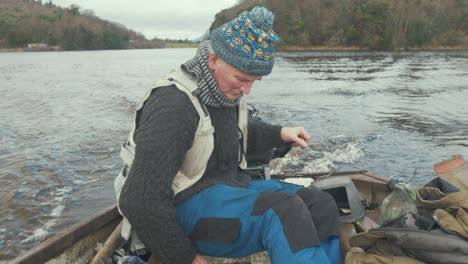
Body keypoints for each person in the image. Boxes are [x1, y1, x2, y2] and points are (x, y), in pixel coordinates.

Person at [114, 6, 341, 264]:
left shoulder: (222, 91)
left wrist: (280, 133)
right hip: (181, 208)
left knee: (320, 204)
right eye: (242, 79)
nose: (247, 90)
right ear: (213, 61)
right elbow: (139, 200)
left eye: (254, 81)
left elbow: (230, 134)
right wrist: (186, 257)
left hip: (227, 187)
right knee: (284, 212)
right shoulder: (173, 106)